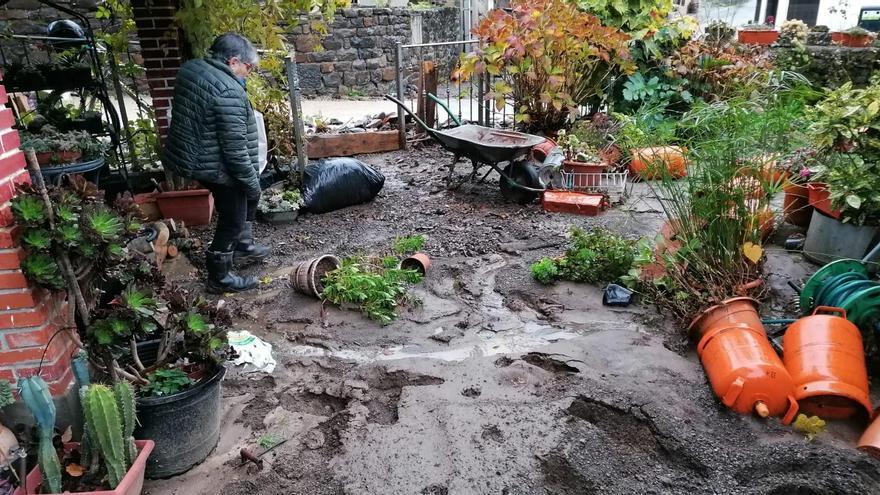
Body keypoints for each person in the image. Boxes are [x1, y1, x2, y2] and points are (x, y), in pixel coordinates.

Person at [164, 33, 270, 294]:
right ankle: (219, 277)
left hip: (194, 157)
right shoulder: (228, 91)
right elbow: (235, 151)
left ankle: (242, 246)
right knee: (234, 216)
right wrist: (251, 183)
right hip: (214, 164)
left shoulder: (193, 69)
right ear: (233, 61)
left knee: (241, 200)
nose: (250, 72)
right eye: (249, 67)